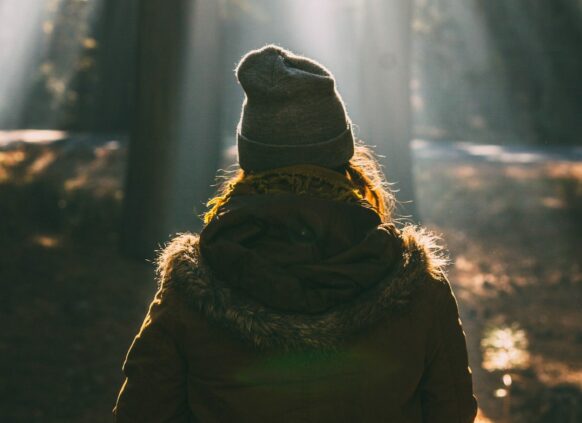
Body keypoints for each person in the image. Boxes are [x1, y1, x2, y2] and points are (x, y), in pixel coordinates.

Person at [113, 44, 478, 422]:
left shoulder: (194, 288)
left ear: (249, 161)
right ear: (344, 155)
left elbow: (142, 412)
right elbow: (452, 412)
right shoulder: (417, 287)